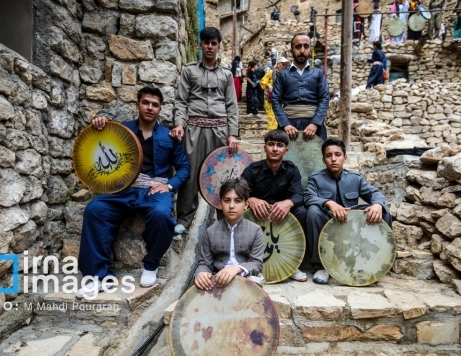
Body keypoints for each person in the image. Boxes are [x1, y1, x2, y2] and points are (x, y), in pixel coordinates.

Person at [76, 87, 190, 299]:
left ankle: (151, 265)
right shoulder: (121, 129)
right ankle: (98, 277)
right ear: (137, 104)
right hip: (124, 189)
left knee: (162, 214)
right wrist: (100, 123)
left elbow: (184, 167)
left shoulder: (169, 136)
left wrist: (169, 186)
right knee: (95, 209)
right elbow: (100, 143)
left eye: (155, 105)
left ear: (160, 109)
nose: (150, 108)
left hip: (155, 190)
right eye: (146, 102)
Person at [170, 27, 239, 235]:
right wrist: (179, 124)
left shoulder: (226, 74)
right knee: (190, 174)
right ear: (200, 44)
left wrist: (232, 133)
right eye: (206, 42)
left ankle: (225, 220)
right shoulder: (189, 71)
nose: (210, 46)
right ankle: (184, 220)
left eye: (213, 43)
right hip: (194, 129)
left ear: (219, 46)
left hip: (220, 130)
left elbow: (232, 106)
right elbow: (181, 101)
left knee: (221, 176)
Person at [304, 138, 392, 284]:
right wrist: (329, 203)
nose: (333, 159)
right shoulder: (316, 178)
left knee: (383, 211)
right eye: (328, 155)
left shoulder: (355, 178)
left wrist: (377, 204)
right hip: (329, 219)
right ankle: (321, 266)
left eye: (337, 154)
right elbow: (308, 197)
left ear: (345, 158)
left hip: (351, 221)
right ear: (323, 160)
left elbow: (375, 193)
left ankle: (376, 261)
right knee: (313, 212)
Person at [241, 130, 308, 282]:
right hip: (257, 216)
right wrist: (250, 199)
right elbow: (238, 192)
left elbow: (299, 195)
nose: (275, 149)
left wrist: (288, 203)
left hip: (282, 217)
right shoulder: (252, 170)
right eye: (271, 144)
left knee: (302, 212)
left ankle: (292, 264)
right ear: (264, 147)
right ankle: (245, 263)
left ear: (286, 150)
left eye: (280, 145)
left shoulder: (292, 170)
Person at [194, 178, 264, 290]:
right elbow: (204, 263)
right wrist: (201, 274)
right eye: (227, 200)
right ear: (220, 203)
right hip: (218, 280)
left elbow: (256, 263)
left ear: (246, 204)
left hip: (246, 278)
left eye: (237, 201)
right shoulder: (210, 231)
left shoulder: (256, 230)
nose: (231, 206)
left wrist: (236, 268)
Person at [271, 33, 330, 141]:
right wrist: (285, 124)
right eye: (298, 47)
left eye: (306, 46)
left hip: (315, 128)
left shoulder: (319, 74)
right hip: (288, 128)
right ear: (291, 51)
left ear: (310, 50)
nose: (302, 51)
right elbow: (275, 100)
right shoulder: (282, 75)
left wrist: (315, 123)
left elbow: (324, 98)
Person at [259, 56, 289, 130]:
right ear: (278, 64)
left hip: (282, 100)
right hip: (271, 100)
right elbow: (262, 82)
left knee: (281, 118)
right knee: (272, 118)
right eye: (283, 64)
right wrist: (268, 85)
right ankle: (272, 133)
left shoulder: (286, 74)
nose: (284, 66)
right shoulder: (271, 72)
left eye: (285, 65)